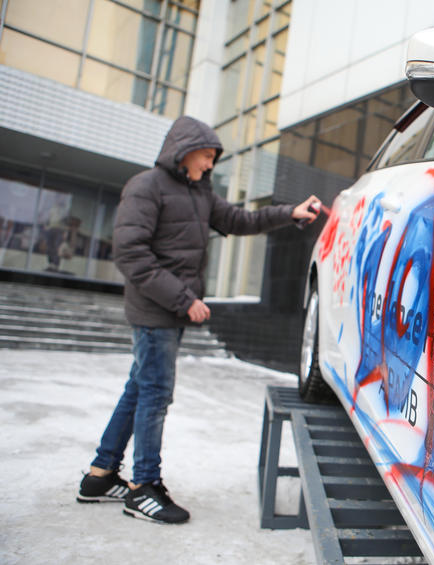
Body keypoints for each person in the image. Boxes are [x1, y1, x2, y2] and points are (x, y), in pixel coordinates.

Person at [76, 116, 321, 524]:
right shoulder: (146, 186)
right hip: (155, 310)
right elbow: (130, 254)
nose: (209, 165)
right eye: (206, 156)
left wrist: (289, 212)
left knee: (138, 390)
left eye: (212, 158)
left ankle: (100, 476)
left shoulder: (198, 193)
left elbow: (240, 220)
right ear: (184, 152)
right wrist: (184, 299)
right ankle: (144, 486)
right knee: (155, 394)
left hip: (170, 310)